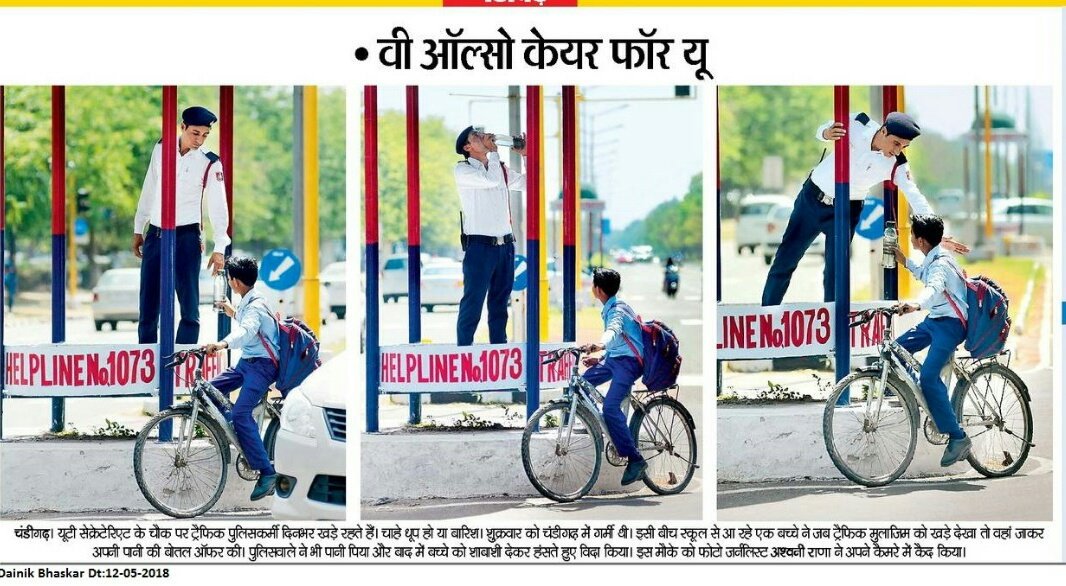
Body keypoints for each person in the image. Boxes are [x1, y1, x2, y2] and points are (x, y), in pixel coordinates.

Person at [761, 111, 968, 307]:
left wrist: (935, 232)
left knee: (835, 273)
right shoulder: (858, 123)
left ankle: (832, 324)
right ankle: (767, 314)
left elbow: (915, 196)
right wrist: (826, 133)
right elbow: (824, 128)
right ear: (883, 130)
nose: (897, 151)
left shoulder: (897, 164)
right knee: (785, 260)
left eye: (903, 147)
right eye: (896, 143)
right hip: (811, 200)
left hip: (845, 211)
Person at [133, 106, 230, 345]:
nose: (199, 140)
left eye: (205, 135)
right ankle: (148, 359)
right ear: (182, 127)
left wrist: (220, 246)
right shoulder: (161, 148)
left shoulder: (210, 162)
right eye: (195, 133)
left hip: (187, 237)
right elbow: (150, 186)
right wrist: (138, 226)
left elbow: (218, 206)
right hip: (156, 234)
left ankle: (183, 360)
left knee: (189, 307)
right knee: (148, 305)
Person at [894, 214, 971, 467]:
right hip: (935, 320)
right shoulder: (934, 257)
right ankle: (922, 393)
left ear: (921, 240)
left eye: (912, 234)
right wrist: (905, 262)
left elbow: (933, 287)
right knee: (896, 350)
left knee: (928, 377)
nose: (910, 237)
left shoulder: (940, 264)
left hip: (950, 326)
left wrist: (916, 305)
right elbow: (925, 275)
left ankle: (958, 437)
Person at [201, 256, 280, 500]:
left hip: (263, 367)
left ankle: (267, 473)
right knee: (208, 390)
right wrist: (231, 311)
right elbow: (247, 322)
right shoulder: (250, 300)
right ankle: (237, 428)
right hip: (247, 363)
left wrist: (222, 344)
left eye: (229, 278)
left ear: (234, 281)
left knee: (240, 414)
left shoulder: (255, 305)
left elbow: (247, 331)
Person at [453, 126, 526, 346]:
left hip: (505, 246)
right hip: (480, 247)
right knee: (473, 304)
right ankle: (464, 352)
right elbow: (491, 180)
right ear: (468, 147)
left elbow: (529, 183)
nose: (483, 136)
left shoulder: (498, 168)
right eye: (476, 136)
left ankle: (498, 351)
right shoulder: (463, 170)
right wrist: (494, 153)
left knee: (499, 306)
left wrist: (526, 156)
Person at [581, 268, 647, 486]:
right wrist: (600, 358)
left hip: (629, 364)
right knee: (583, 383)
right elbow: (619, 343)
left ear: (598, 290)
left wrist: (600, 345)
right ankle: (596, 422)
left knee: (610, 407)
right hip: (614, 359)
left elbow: (614, 330)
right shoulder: (610, 306)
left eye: (593, 284)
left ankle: (635, 460)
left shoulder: (617, 310)